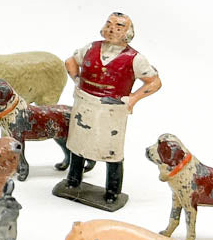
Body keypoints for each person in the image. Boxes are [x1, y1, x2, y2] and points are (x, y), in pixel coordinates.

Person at [60, 12, 163, 204]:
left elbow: (154, 82)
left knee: (111, 150)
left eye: (118, 26)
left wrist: (133, 99)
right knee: (78, 144)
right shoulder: (91, 47)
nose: (111, 29)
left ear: (128, 32)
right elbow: (70, 62)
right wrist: (77, 80)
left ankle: (112, 191)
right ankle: (73, 181)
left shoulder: (135, 58)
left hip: (112, 110)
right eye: (109, 24)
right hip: (84, 104)